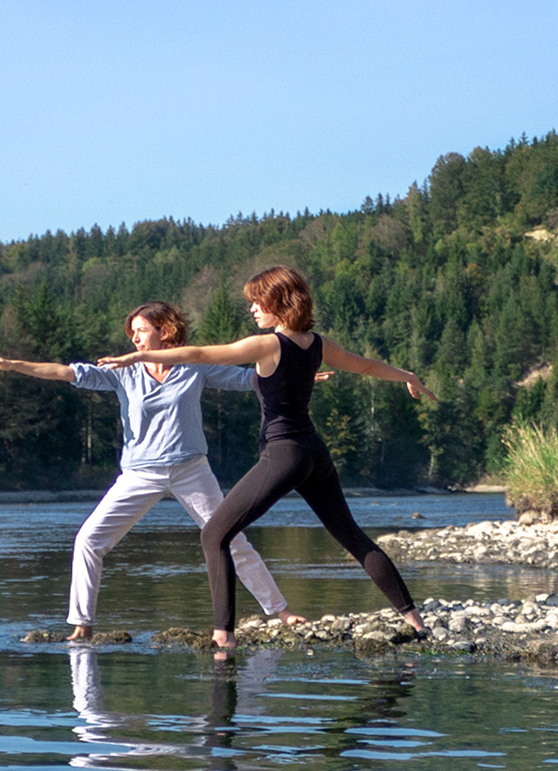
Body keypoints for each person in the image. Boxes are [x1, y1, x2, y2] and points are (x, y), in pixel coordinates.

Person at [99, 267, 432, 649]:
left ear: (279, 303)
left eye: (258, 302)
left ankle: (223, 636)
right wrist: (407, 374)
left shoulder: (268, 345)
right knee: (352, 536)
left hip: (283, 454)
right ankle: (415, 621)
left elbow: (199, 353)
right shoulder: (318, 344)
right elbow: (368, 366)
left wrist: (133, 358)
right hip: (313, 453)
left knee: (214, 534)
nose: (253, 308)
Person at [0, 301, 304, 642]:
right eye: (132, 333)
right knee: (88, 540)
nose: (135, 339)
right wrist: (11, 365)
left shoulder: (194, 366)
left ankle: (282, 612)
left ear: (166, 331)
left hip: (191, 470)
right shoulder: (122, 371)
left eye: (142, 331)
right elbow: (64, 372)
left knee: (231, 538)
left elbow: (252, 380)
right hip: (139, 474)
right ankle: (82, 625)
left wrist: (299, 378)